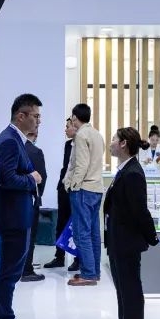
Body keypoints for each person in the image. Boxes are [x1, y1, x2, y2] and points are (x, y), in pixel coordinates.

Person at [0, 93, 43, 319]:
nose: (38, 121)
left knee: (9, 271)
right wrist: (32, 179)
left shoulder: (14, 139)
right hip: (12, 217)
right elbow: (6, 179)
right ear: (20, 116)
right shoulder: (9, 141)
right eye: (35, 116)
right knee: (8, 272)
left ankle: (6, 318)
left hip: (17, 215)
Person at [104, 127, 159, 319]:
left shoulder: (133, 173)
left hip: (127, 240)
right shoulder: (125, 169)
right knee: (122, 285)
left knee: (130, 286)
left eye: (113, 139)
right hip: (118, 238)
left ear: (124, 144)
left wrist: (151, 236)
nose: (111, 143)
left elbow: (139, 210)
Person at [64, 103, 105, 286]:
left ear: (75, 118)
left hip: (83, 189)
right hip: (97, 189)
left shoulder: (81, 135)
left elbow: (81, 165)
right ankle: (94, 272)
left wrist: (73, 186)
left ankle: (88, 274)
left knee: (81, 234)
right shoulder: (97, 134)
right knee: (94, 234)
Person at [44, 118, 79, 271]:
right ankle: (59, 257)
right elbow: (66, 167)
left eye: (68, 126)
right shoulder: (67, 145)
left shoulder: (82, 145)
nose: (65, 129)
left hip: (76, 189)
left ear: (75, 127)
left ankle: (78, 259)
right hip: (63, 188)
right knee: (61, 222)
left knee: (76, 224)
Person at [21, 128, 48, 282]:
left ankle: (16, 268)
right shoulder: (36, 152)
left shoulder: (13, 148)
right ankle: (26, 270)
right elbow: (42, 177)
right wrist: (38, 196)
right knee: (29, 236)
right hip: (30, 199)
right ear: (35, 133)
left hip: (12, 200)